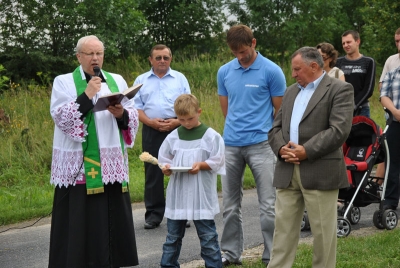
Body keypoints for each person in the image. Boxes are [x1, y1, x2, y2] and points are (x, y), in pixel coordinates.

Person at [48, 35, 139, 267]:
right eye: (90, 54)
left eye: (99, 53)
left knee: (111, 219)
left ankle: (110, 261)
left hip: (111, 162)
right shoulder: (64, 81)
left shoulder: (116, 79)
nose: (95, 58)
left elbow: (132, 115)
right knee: (82, 222)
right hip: (81, 165)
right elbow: (61, 117)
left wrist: (122, 115)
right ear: (79, 56)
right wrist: (87, 94)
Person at [267, 47, 354, 268]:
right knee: (282, 232)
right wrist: (281, 149)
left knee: (323, 234)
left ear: (314, 66)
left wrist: (306, 150)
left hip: (320, 170)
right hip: (287, 170)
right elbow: (275, 129)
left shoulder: (340, 89)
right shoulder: (290, 92)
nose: (293, 74)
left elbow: (339, 130)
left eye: (297, 69)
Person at [217, 24, 286, 266]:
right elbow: (227, 110)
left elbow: (280, 111)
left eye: (243, 51)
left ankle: (272, 254)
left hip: (262, 145)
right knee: (229, 206)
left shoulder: (272, 71)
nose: (240, 56)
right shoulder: (224, 71)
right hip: (231, 145)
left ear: (253, 43)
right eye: (235, 53)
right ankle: (231, 254)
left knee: (268, 205)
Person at [158, 93, 225, 268]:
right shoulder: (173, 136)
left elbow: (218, 159)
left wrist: (202, 165)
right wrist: (166, 168)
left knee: (208, 236)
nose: (186, 123)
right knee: (172, 237)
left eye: (190, 118)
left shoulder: (211, 136)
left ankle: (214, 265)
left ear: (199, 112)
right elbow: (164, 157)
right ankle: (168, 265)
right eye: (181, 120)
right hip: (179, 193)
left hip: (200, 193)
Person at [133, 44, 191, 229]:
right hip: (151, 128)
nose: (162, 61)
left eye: (165, 57)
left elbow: (188, 104)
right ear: (150, 60)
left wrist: (177, 121)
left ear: (170, 59)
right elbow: (136, 108)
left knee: (181, 169)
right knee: (153, 172)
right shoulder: (141, 80)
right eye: (158, 57)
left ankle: (182, 214)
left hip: (177, 128)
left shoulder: (179, 78)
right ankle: (154, 215)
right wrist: (150, 122)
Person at [374, 27, 400, 183]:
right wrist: (395, 112)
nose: (398, 44)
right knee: (392, 160)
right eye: (397, 41)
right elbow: (382, 90)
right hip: (394, 117)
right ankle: (389, 201)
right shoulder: (392, 61)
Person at [336, 30, 376, 117]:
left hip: (362, 109)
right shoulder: (338, 62)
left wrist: (354, 104)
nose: (346, 45)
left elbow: (368, 89)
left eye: (348, 42)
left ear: (357, 41)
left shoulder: (369, 62)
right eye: (343, 43)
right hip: (342, 109)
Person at [380, 66, 400, 211]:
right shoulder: (392, 73)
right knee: (392, 163)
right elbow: (384, 96)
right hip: (395, 122)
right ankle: (390, 201)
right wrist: (395, 112)